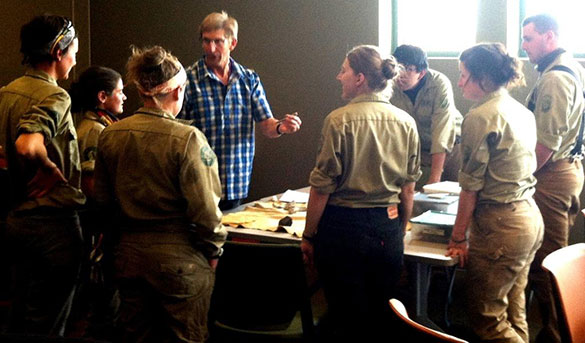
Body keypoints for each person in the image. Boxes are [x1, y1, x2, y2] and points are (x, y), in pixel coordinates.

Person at [94, 45, 227, 343]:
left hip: (128, 257)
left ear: (142, 90)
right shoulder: (188, 139)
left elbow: (102, 204)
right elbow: (206, 209)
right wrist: (214, 249)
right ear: (178, 92)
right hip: (179, 260)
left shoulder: (110, 134)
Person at [301, 45, 421, 342]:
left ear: (359, 78)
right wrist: (401, 229)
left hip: (343, 231)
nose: (338, 76)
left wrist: (308, 234)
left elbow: (322, 187)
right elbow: (408, 189)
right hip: (387, 228)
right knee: (382, 317)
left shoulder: (338, 120)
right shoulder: (406, 122)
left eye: (343, 70)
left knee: (345, 317)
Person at [446, 43, 544, 343]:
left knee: (487, 319)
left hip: (500, 226)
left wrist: (458, 236)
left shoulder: (480, 116)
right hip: (528, 217)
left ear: (484, 78)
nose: (460, 82)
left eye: (464, 75)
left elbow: (470, 186)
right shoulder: (520, 111)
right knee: (514, 311)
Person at [0, 15, 84, 336]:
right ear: (56, 51)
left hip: (16, 222)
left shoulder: (7, 92)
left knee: (20, 318)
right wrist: (49, 168)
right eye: (73, 50)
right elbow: (26, 144)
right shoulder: (56, 96)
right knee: (46, 325)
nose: (75, 58)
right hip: (53, 227)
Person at [178, 11, 302, 210]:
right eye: (206, 41)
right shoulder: (188, 80)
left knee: (233, 239)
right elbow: (176, 134)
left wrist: (282, 127)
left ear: (232, 43)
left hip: (237, 184)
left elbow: (267, 125)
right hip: (198, 184)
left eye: (218, 42)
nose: (211, 48)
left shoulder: (249, 79)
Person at [521, 13, 585, 343]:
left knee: (546, 263)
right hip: (566, 172)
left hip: (551, 175)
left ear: (550, 36)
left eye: (529, 38)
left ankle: (558, 335)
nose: (524, 46)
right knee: (550, 259)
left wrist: (517, 176)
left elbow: (545, 143)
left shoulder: (555, 79)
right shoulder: (569, 68)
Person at [68, 65, 126, 339]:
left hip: (103, 221)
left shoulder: (105, 125)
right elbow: (91, 184)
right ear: (103, 96)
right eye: (120, 92)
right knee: (104, 302)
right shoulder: (94, 130)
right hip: (99, 224)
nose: (124, 97)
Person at [391, 44, 462, 186]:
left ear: (421, 73)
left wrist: (434, 179)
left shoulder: (438, 83)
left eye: (408, 69)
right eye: (398, 68)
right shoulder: (389, 84)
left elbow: (442, 131)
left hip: (452, 146)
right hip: (419, 149)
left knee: (451, 193)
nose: (401, 75)